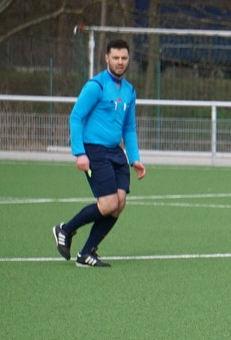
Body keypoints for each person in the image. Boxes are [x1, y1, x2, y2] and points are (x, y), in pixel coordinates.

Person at [52, 38, 145, 268]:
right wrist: (79, 153)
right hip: (94, 151)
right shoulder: (97, 86)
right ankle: (65, 229)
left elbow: (129, 127)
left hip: (116, 153)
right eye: (115, 57)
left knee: (119, 203)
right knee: (108, 203)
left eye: (124, 58)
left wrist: (135, 159)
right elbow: (76, 117)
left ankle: (86, 253)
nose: (120, 62)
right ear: (106, 58)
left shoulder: (130, 91)